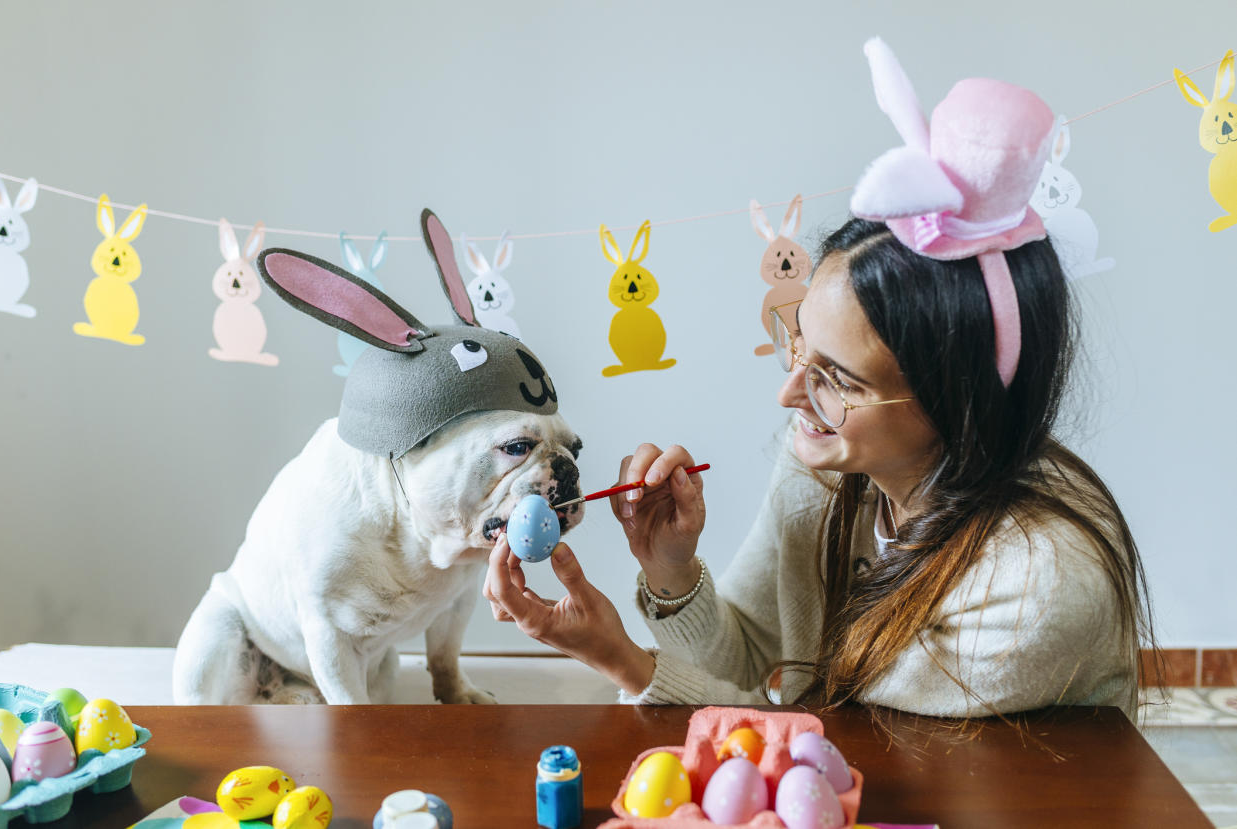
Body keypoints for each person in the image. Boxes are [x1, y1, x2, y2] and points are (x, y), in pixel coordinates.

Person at [483, 40, 1155, 718]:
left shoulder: (1035, 583)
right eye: (797, 341)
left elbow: (832, 749)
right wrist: (670, 569)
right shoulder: (827, 468)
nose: (790, 394)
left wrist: (619, 659)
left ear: (958, 403)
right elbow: (745, 655)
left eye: (837, 378)